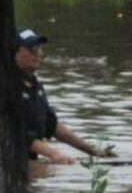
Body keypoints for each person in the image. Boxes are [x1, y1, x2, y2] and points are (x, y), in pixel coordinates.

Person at [16, 27, 114, 165]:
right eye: (32, 49)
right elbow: (16, 132)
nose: (39, 53)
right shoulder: (4, 89)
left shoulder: (35, 86)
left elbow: (51, 124)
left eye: (39, 48)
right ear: (13, 52)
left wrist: (92, 150)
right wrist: (54, 154)